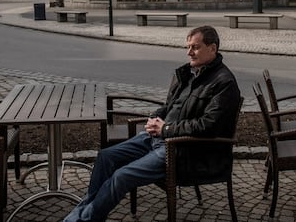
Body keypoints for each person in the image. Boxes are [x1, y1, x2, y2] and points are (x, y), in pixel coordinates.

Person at [63, 25, 241, 222]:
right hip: (158, 138)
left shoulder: (224, 83)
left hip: (184, 151)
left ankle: (80, 219)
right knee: (106, 157)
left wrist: (165, 129)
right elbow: (169, 106)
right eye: (188, 46)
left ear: (213, 48)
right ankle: (86, 214)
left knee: (121, 177)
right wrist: (154, 117)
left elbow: (208, 126)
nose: (189, 52)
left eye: (195, 47)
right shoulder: (190, 74)